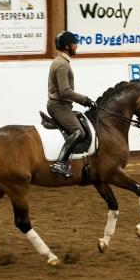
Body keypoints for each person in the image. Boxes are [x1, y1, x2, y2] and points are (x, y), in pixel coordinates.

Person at [47, 30, 95, 178]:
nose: (77, 46)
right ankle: (59, 163)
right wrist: (84, 99)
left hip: (64, 106)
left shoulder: (62, 62)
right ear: (67, 46)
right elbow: (65, 91)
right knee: (78, 131)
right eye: (74, 44)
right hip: (58, 106)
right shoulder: (62, 64)